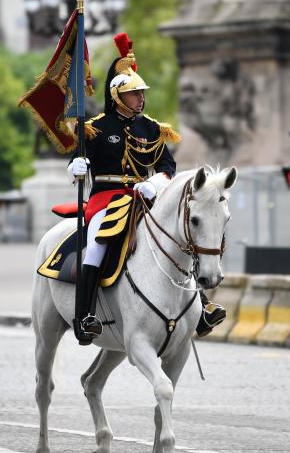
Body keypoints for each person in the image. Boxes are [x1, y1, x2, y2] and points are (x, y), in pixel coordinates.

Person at [66, 32, 226, 345]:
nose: (140, 98)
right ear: (117, 97)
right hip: (106, 198)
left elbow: (167, 165)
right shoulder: (96, 127)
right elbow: (78, 158)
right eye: (134, 94)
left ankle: (202, 305)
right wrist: (78, 164)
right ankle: (84, 315)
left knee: (182, 237)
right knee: (97, 245)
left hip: (145, 197)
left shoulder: (150, 127)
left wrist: (155, 182)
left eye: (141, 93)